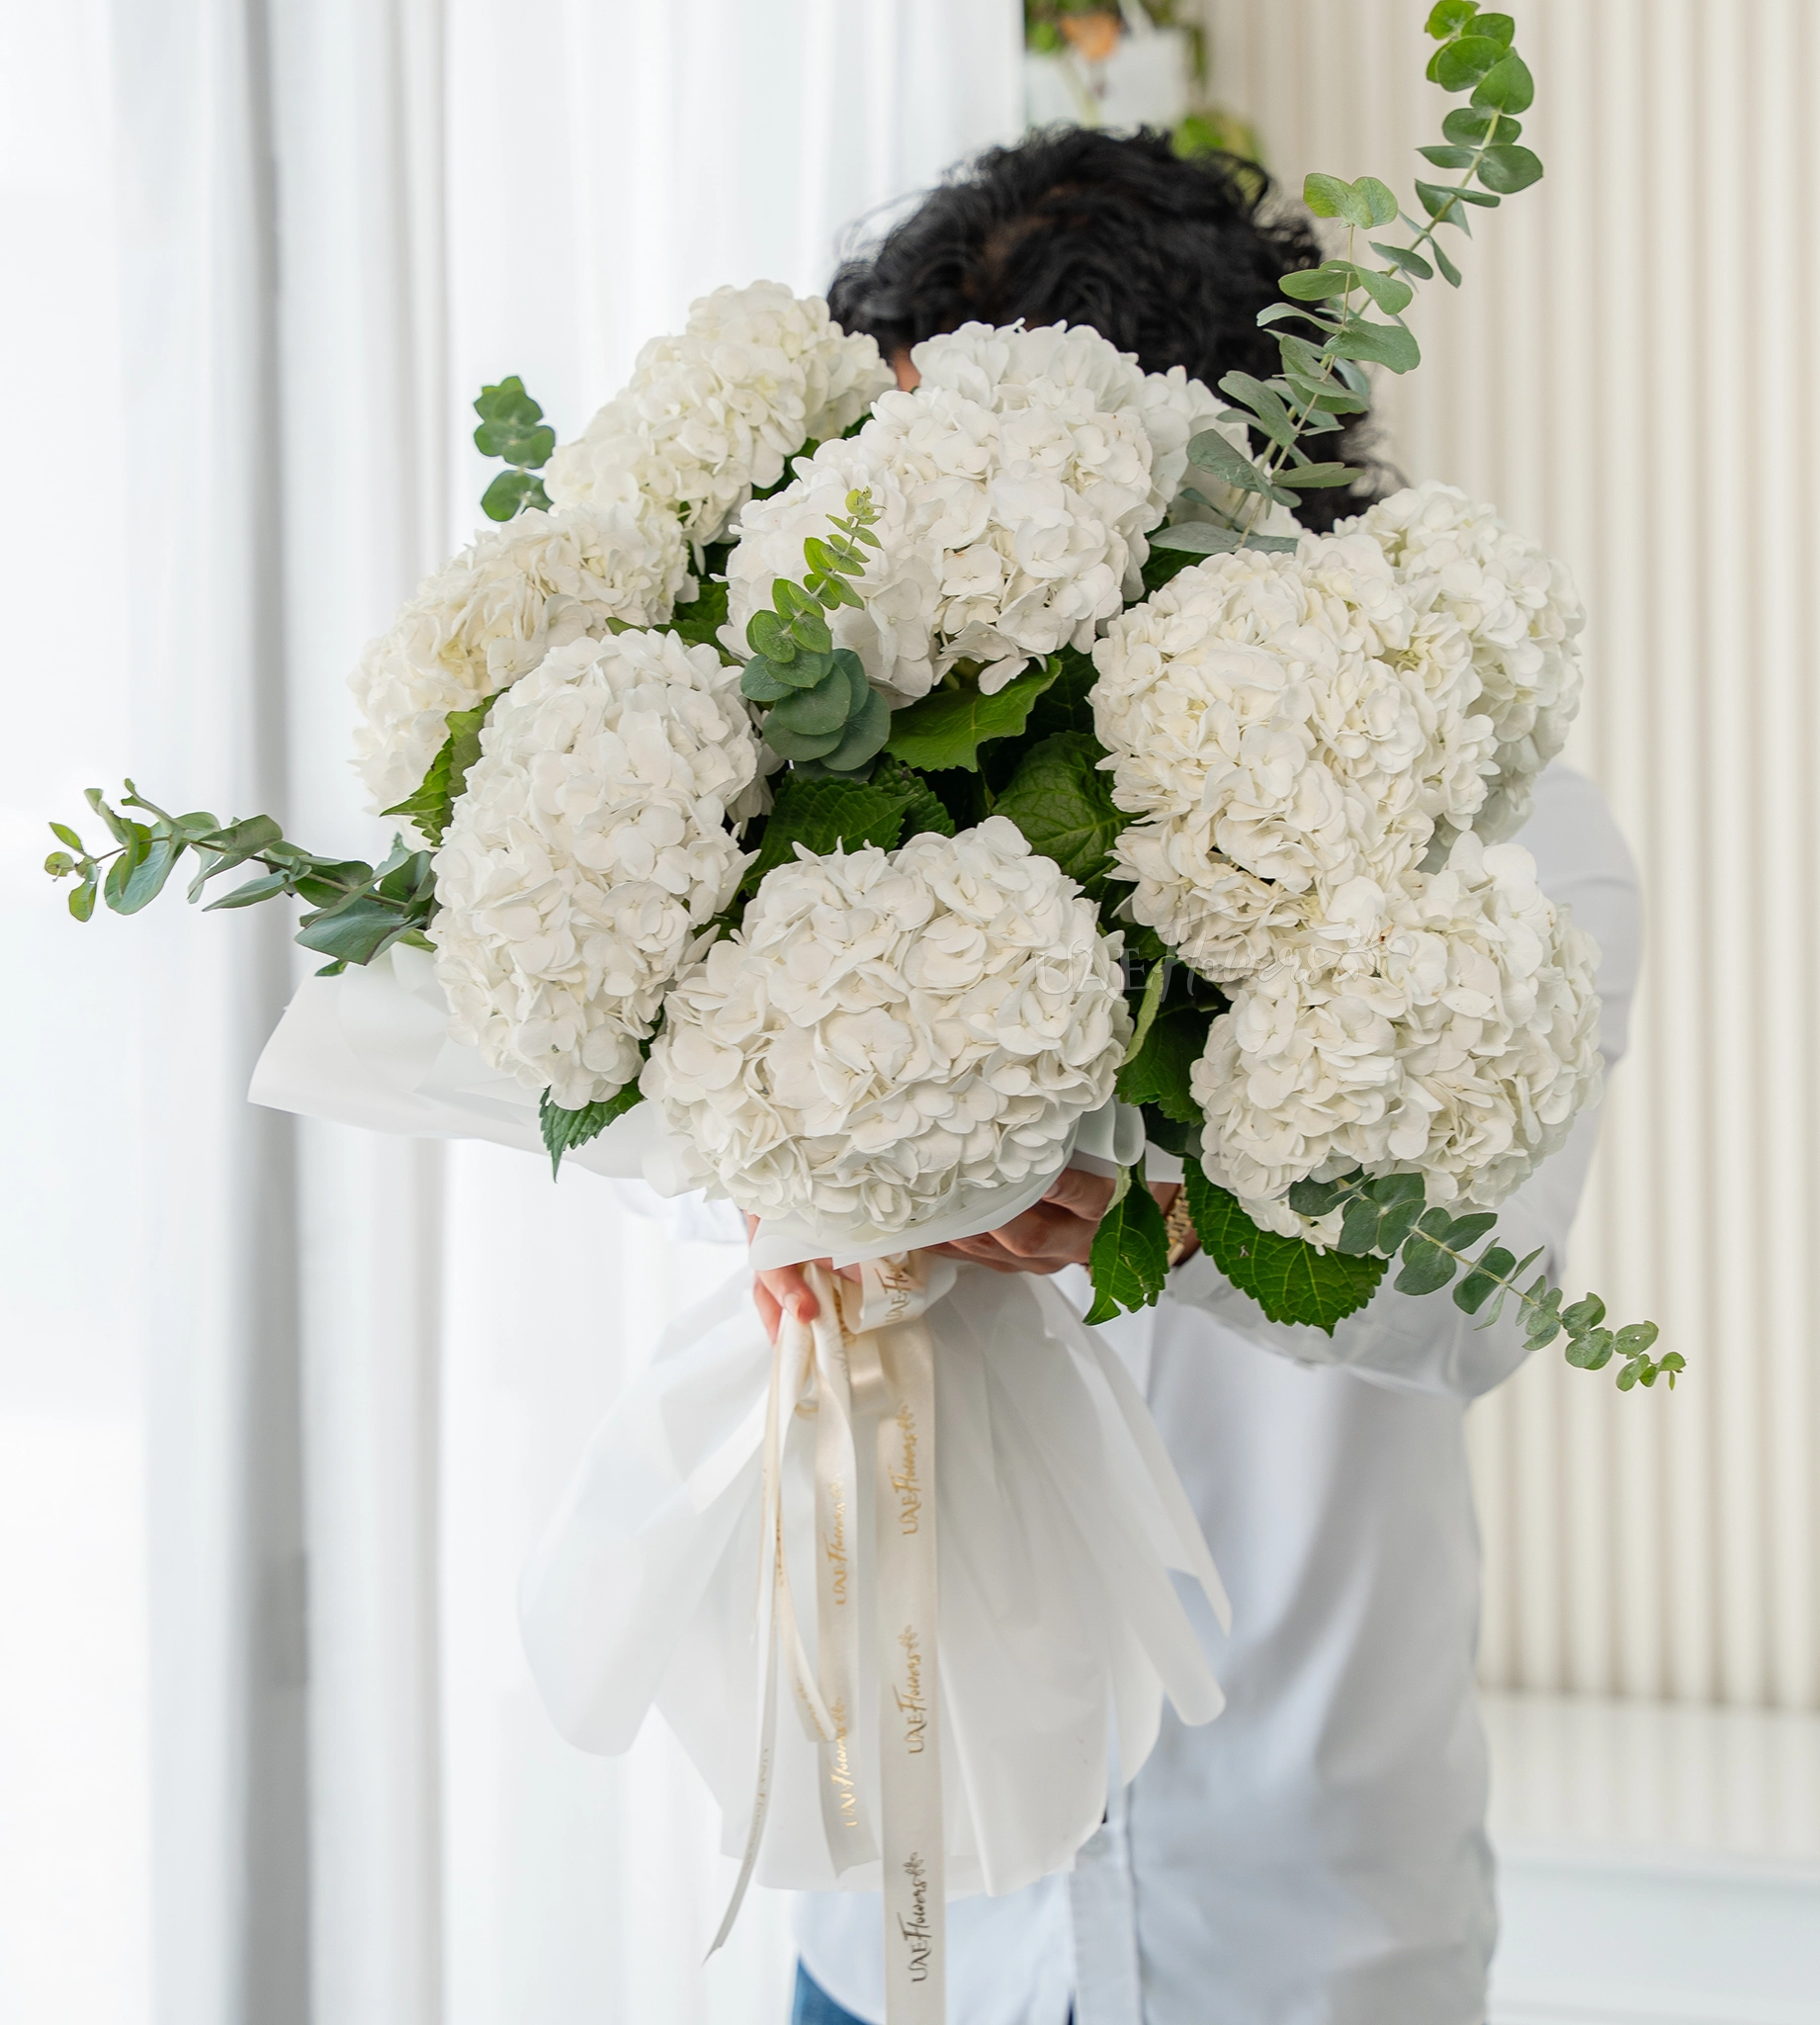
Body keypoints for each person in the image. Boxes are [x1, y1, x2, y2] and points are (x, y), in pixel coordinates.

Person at [744, 129, 1645, 2025]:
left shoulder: (1508, 846)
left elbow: (1479, 1296)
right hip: (907, 1916)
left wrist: (1176, 1212)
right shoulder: (830, 809)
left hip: (1296, 1938)